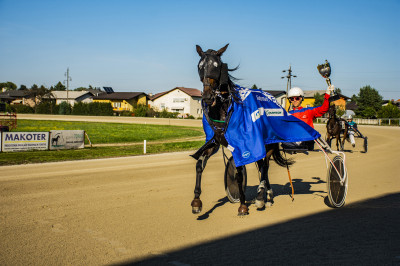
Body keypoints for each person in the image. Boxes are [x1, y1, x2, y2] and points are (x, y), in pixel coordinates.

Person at [282, 85, 334, 151]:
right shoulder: (288, 114)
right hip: (294, 141)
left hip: (307, 141)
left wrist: (327, 94)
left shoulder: (309, 111)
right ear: (290, 100)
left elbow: (324, 108)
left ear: (301, 99)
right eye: (292, 99)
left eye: (297, 98)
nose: (294, 100)